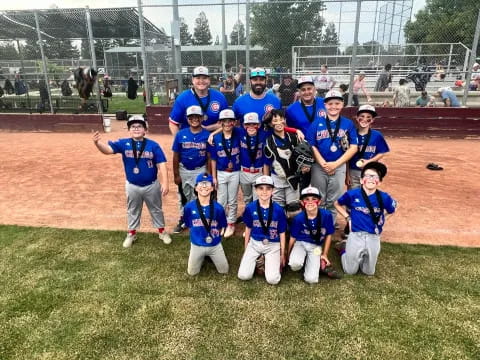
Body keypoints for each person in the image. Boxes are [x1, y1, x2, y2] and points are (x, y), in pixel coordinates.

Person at [92, 115, 171, 248]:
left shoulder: (153, 145)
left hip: (151, 185)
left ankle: (162, 232)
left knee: (156, 209)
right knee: (132, 210)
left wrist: (165, 182)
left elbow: (161, 164)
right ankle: (131, 233)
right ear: (129, 130)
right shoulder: (124, 143)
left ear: (145, 130)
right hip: (132, 185)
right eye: (133, 126)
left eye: (139, 126)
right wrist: (97, 143)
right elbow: (108, 151)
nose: (136, 128)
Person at [334, 162, 397, 276]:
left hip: (373, 236)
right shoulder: (352, 194)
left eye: (375, 177)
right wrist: (348, 218)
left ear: (379, 181)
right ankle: (344, 249)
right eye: (367, 176)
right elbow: (337, 204)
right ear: (362, 180)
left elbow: (393, 209)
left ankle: (359, 254)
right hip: (356, 235)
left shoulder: (384, 197)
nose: (371, 179)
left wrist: (384, 218)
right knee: (350, 271)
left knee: (368, 272)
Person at [306, 90, 358, 221]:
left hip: (339, 166)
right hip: (319, 166)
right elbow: (312, 145)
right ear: (325, 105)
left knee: (335, 198)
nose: (333, 106)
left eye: (337, 103)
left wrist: (336, 164)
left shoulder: (348, 124)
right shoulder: (317, 123)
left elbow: (353, 147)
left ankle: (330, 223)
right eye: (330, 103)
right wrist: (323, 163)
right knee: (319, 196)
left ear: (342, 104)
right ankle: (318, 222)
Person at [237, 175, 288, 285]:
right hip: (255, 243)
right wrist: (246, 249)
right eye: (261, 188)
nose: (264, 192)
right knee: (243, 276)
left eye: (268, 188)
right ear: (256, 190)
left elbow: (282, 232)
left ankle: (264, 261)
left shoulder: (279, 209)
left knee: (273, 280)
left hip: (272, 245)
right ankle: (260, 261)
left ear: (273, 190)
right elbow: (248, 228)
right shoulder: (250, 207)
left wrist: (282, 253)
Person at [172, 105, 211, 233]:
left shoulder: (207, 135)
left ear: (202, 118)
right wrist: (176, 174)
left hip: (200, 169)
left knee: (199, 194)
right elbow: (176, 156)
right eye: (191, 117)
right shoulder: (181, 134)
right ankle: (183, 218)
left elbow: (209, 157)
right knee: (183, 195)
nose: (194, 119)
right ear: (187, 119)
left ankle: (197, 219)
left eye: (197, 117)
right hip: (183, 169)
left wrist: (209, 173)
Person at [288, 186, 336, 283]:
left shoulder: (327, 215)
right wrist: (288, 254)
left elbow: (329, 235)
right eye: (306, 199)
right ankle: (305, 260)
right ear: (302, 202)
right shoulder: (298, 218)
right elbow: (292, 238)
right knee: (294, 265)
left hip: (316, 246)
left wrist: (325, 254)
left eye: (314, 199)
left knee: (311, 280)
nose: (310, 202)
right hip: (301, 244)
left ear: (319, 202)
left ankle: (317, 263)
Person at [183, 173, 229, 276]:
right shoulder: (189, 207)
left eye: (207, 184)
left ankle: (208, 255)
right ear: (195, 188)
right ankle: (201, 256)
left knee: (224, 270)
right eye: (201, 184)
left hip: (214, 244)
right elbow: (189, 224)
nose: (204, 186)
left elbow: (221, 225)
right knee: (192, 273)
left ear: (212, 188)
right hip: (197, 244)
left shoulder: (218, 208)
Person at [264, 109, 307, 207]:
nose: (279, 122)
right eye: (275, 121)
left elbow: (304, 155)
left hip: (293, 178)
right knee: (278, 208)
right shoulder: (269, 142)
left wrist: (304, 167)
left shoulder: (294, 137)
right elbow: (266, 163)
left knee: (294, 208)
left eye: (281, 119)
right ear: (270, 124)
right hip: (277, 179)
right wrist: (267, 182)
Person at [209, 109, 241, 238]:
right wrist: (214, 176)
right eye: (224, 121)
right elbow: (213, 159)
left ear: (234, 122)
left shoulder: (238, 133)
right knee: (221, 200)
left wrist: (214, 132)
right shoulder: (216, 138)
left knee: (232, 200)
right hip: (221, 172)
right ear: (220, 122)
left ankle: (231, 223)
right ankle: (221, 223)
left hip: (235, 172)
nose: (227, 124)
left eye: (230, 121)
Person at [169, 66, 228, 135]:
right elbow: (173, 123)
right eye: (198, 78)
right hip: (190, 141)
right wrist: (179, 141)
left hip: (214, 139)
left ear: (209, 80)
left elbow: (226, 122)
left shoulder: (219, 97)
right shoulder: (182, 98)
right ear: (192, 80)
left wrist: (208, 128)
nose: (201, 81)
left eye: (204, 78)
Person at [347, 105, 389, 190]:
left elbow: (382, 152)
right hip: (353, 171)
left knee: (368, 194)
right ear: (357, 118)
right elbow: (346, 157)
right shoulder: (350, 134)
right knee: (353, 196)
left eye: (368, 117)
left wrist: (369, 161)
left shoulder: (377, 135)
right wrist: (347, 174)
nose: (365, 119)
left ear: (372, 120)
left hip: (370, 171)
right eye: (362, 116)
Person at [239, 112, 267, 206]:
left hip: (258, 172)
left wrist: (296, 131)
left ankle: (257, 219)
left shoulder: (264, 134)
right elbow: (224, 127)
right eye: (248, 124)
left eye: (254, 124)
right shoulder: (240, 132)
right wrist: (212, 134)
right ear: (243, 125)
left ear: (259, 125)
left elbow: (279, 128)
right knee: (247, 198)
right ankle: (249, 219)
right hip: (244, 171)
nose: (251, 127)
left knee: (257, 199)